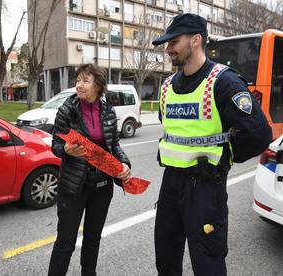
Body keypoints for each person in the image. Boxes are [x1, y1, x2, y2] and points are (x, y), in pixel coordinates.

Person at [151, 13, 272, 276]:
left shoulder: (223, 81)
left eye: (173, 42)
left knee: (208, 263)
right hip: (171, 185)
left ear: (195, 40)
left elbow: (259, 134)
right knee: (166, 259)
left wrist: (223, 157)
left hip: (205, 188)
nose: (168, 49)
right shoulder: (167, 86)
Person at [48, 64, 131, 276]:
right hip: (74, 186)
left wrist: (125, 164)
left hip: (102, 187)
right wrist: (66, 150)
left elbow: (114, 146)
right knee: (65, 241)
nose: (79, 85)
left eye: (85, 81)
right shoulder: (67, 109)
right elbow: (55, 146)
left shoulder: (108, 111)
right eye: (77, 80)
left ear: (98, 85)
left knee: (93, 238)